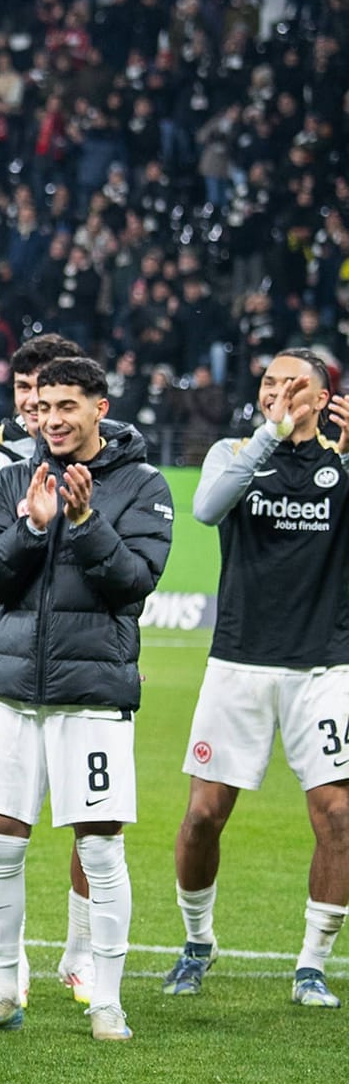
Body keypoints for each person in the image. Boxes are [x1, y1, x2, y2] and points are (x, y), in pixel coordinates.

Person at [0, 356, 173, 1041]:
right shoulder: (11, 481)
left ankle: (106, 998)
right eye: (42, 406)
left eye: (66, 405)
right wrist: (33, 528)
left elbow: (134, 582)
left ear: (99, 408)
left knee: (101, 847)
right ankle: (1, 990)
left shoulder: (142, 485)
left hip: (92, 695)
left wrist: (82, 521)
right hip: (13, 692)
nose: (51, 418)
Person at [166, 350, 349, 1007]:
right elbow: (208, 510)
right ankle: (196, 942)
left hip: (324, 665)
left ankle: (311, 964)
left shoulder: (341, 466)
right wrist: (271, 432)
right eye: (268, 382)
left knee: (338, 816)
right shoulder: (233, 452)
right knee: (201, 817)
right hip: (238, 662)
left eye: (291, 384)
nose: (276, 391)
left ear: (324, 397)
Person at [0, 332, 94, 1005]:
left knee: (89, 820)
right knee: (2, 819)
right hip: (6, 661)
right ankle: (3, 985)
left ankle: (78, 953)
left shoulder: (111, 460)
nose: (36, 409)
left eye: (47, 395)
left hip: (82, 664)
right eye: (23, 394)